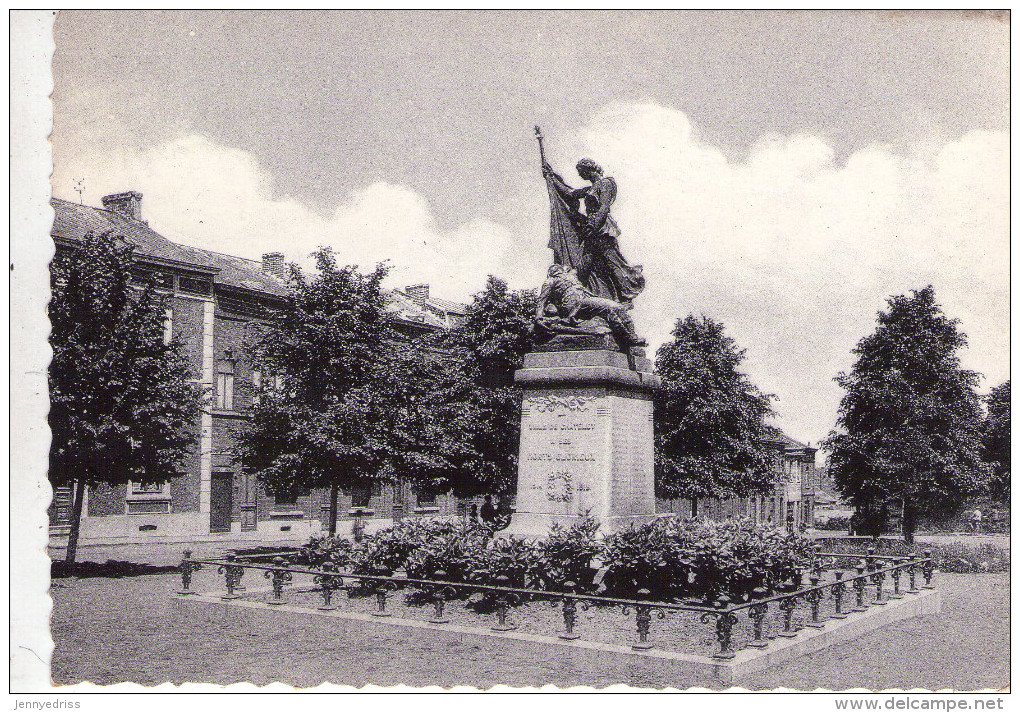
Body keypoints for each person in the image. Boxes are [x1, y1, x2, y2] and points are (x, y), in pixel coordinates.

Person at [542, 158, 645, 305]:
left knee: (612, 263)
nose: (580, 175)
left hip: (601, 230)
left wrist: (593, 225)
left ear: (587, 170)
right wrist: (552, 177)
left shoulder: (606, 184)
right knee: (584, 264)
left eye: (580, 172)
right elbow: (571, 193)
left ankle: (627, 293)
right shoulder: (591, 188)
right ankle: (578, 296)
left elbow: (604, 208)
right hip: (592, 232)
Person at [535, 264, 645, 346]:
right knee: (608, 309)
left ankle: (632, 336)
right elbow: (541, 301)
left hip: (586, 300)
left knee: (618, 307)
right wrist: (538, 318)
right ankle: (628, 338)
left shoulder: (571, 275)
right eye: (555, 269)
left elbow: (583, 265)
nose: (558, 270)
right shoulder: (549, 281)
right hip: (573, 306)